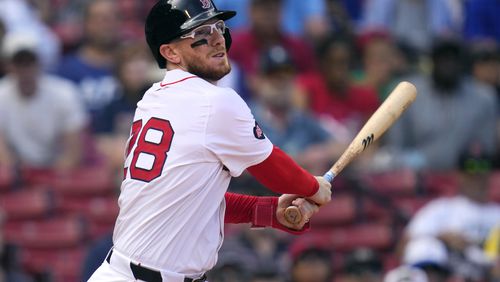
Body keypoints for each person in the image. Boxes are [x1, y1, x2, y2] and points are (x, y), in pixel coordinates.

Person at [88, 1, 331, 281]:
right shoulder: (215, 101)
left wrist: (268, 211)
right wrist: (314, 188)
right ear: (170, 52)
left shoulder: (153, 97)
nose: (217, 39)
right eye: (200, 33)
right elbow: (273, 169)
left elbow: (190, 196)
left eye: (219, 27)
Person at [402, 149, 500, 281]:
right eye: (471, 169)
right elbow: (405, 244)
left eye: (484, 168)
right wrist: (442, 238)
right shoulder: (443, 209)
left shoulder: (497, 212)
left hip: (489, 273)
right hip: (449, 271)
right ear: (460, 174)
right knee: (423, 246)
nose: (478, 176)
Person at [0, 32, 86, 170]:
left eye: (29, 62)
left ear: (39, 62)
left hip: (57, 172)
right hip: (17, 173)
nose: (24, 69)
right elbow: (2, 154)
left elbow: (73, 151)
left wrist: (50, 177)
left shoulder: (65, 93)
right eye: (19, 63)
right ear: (8, 66)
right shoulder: (1, 95)